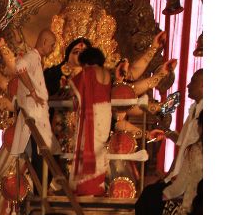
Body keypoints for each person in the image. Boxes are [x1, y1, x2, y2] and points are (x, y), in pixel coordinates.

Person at [70, 43, 171, 197]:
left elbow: (74, 88)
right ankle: (96, 186)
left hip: (92, 115)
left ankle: (86, 187)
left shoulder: (88, 72)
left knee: (88, 146)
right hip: (105, 115)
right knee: (98, 149)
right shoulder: (106, 74)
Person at [159, 68, 202, 215]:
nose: (187, 86)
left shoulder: (196, 151)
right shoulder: (194, 111)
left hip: (194, 208)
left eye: (193, 81)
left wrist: (166, 193)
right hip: (196, 204)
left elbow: (182, 183)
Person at [8, 29, 59, 158]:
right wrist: (33, 92)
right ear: (44, 42)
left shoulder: (36, 58)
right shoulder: (32, 56)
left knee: (47, 150)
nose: (53, 49)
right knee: (38, 151)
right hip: (32, 111)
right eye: (52, 45)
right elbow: (20, 67)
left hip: (36, 111)